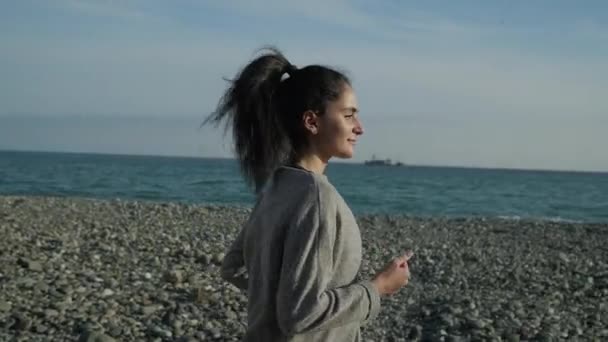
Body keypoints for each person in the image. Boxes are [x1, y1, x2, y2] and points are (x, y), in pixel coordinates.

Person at [204, 46, 413, 342]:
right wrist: (378, 288)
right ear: (312, 122)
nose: (360, 128)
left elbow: (232, 267)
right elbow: (301, 315)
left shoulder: (276, 186)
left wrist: (275, 296)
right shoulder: (317, 198)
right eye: (349, 115)